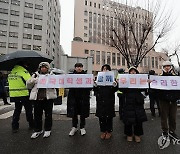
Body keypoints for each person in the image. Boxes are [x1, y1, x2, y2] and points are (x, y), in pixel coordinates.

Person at [26, 62, 57, 139]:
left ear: (48, 68)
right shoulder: (35, 75)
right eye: (42, 67)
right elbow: (28, 85)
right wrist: (34, 80)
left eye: (45, 67)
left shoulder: (52, 75)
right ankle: (37, 130)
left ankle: (47, 130)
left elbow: (56, 84)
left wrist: (50, 81)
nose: (43, 68)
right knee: (37, 115)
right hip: (37, 98)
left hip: (48, 98)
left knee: (48, 115)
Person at [120, 66, 147, 143]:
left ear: (136, 72)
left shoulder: (140, 80)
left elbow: (145, 90)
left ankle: (137, 134)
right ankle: (129, 134)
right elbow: (122, 89)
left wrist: (147, 83)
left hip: (138, 102)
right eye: (131, 71)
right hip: (128, 102)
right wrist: (119, 82)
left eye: (134, 71)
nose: (133, 72)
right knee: (128, 119)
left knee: (138, 119)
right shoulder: (125, 80)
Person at [8, 62, 34, 133]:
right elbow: (30, 82)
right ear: (23, 65)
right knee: (28, 110)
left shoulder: (11, 73)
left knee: (17, 110)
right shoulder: (23, 72)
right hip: (24, 94)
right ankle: (31, 125)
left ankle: (15, 126)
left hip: (14, 95)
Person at [94, 64, 118, 139]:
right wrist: (95, 85)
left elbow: (115, 90)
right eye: (104, 69)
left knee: (109, 116)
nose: (105, 70)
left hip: (109, 100)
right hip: (101, 100)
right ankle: (103, 131)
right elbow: (95, 90)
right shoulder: (98, 79)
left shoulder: (112, 79)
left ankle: (109, 131)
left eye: (107, 69)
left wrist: (115, 85)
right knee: (101, 117)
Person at [67, 63, 91, 136]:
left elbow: (90, 87)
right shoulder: (71, 76)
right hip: (73, 97)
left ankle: (82, 127)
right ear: (75, 68)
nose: (79, 68)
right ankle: (74, 127)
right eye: (77, 67)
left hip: (83, 97)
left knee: (83, 113)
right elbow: (66, 85)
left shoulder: (86, 76)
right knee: (74, 113)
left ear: (82, 68)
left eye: (80, 67)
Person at [158, 61, 179, 140]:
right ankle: (165, 131)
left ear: (171, 67)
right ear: (163, 68)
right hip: (164, 101)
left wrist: (176, 98)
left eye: (168, 66)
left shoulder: (176, 77)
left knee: (173, 117)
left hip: (173, 101)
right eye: (165, 66)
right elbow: (156, 90)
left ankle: (172, 131)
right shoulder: (159, 77)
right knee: (164, 117)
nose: (167, 68)